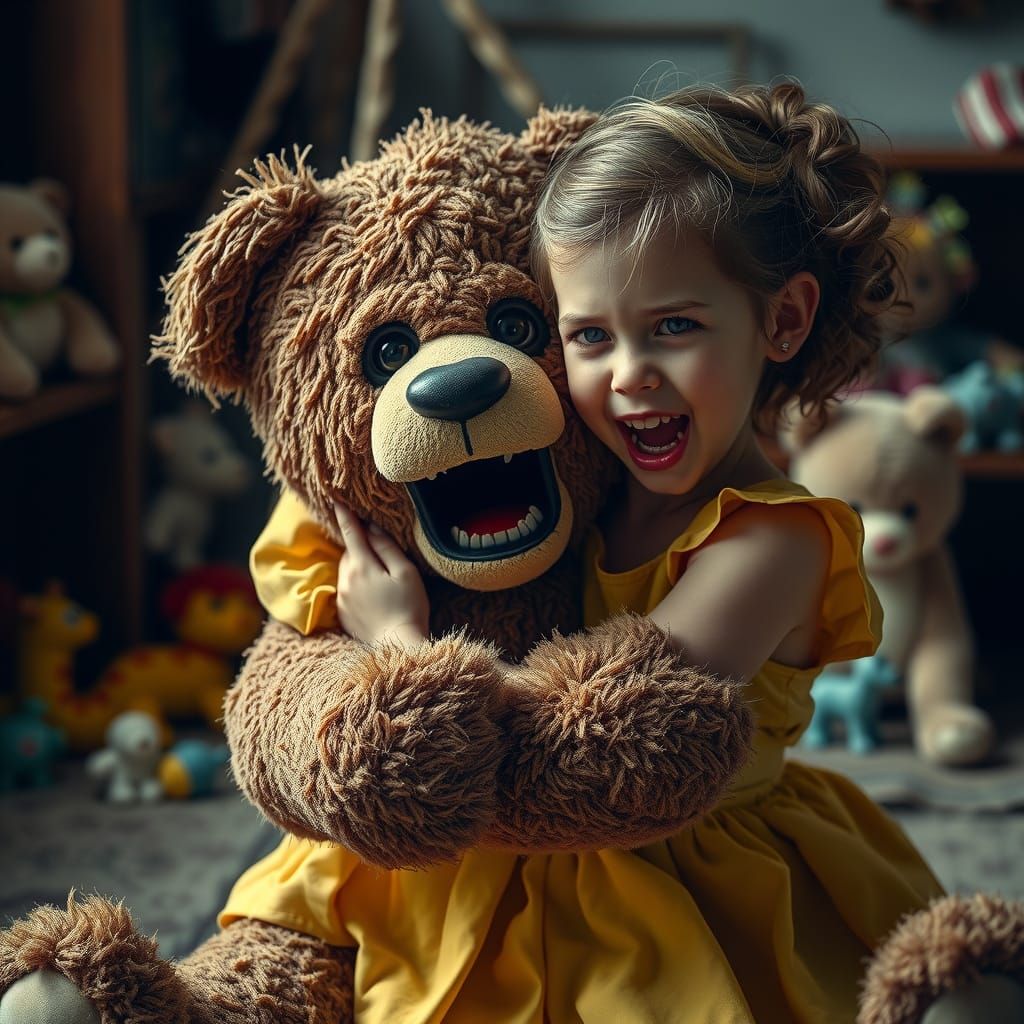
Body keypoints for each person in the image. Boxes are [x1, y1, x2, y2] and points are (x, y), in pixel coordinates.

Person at [224, 82, 944, 1022]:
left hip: (668, 865)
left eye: (675, 327)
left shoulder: (771, 540)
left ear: (784, 319)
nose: (630, 374)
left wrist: (398, 650)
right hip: (502, 861)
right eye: (589, 337)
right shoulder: (589, 482)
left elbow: (581, 746)